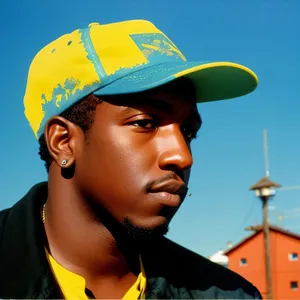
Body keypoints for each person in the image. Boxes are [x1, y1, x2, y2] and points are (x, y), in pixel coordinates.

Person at [0, 19, 261, 299]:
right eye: (145, 123)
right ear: (63, 142)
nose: (182, 157)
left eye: (188, 132)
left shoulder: (227, 294)